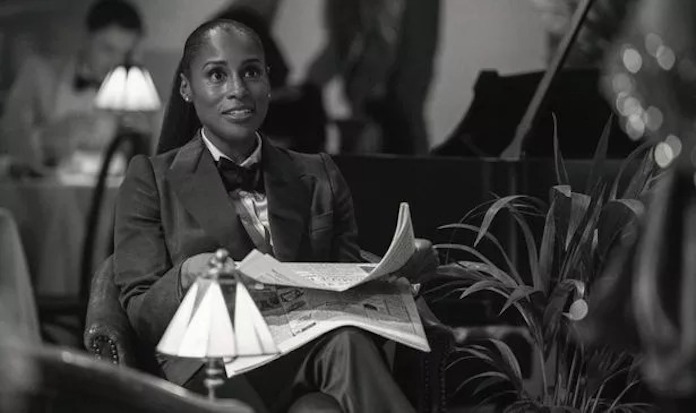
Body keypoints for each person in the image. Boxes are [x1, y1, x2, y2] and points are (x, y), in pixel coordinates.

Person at [114, 18, 433, 413]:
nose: (238, 89)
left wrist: (398, 277)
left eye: (251, 72)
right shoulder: (150, 178)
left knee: (344, 346)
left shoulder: (318, 174)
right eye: (217, 75)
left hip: (308, 351)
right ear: (186, 87)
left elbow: (348, 288)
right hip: (214, 360)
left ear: (267, 82)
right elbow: (139, 312)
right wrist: (185, 276)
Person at [0, 0, 146, 168]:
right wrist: (46, 138)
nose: (116, 62)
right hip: (45, 183)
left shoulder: (135, 92)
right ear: (86, 38)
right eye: (108, 49)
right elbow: (7, 140)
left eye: (126, 53)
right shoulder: (38, 73)